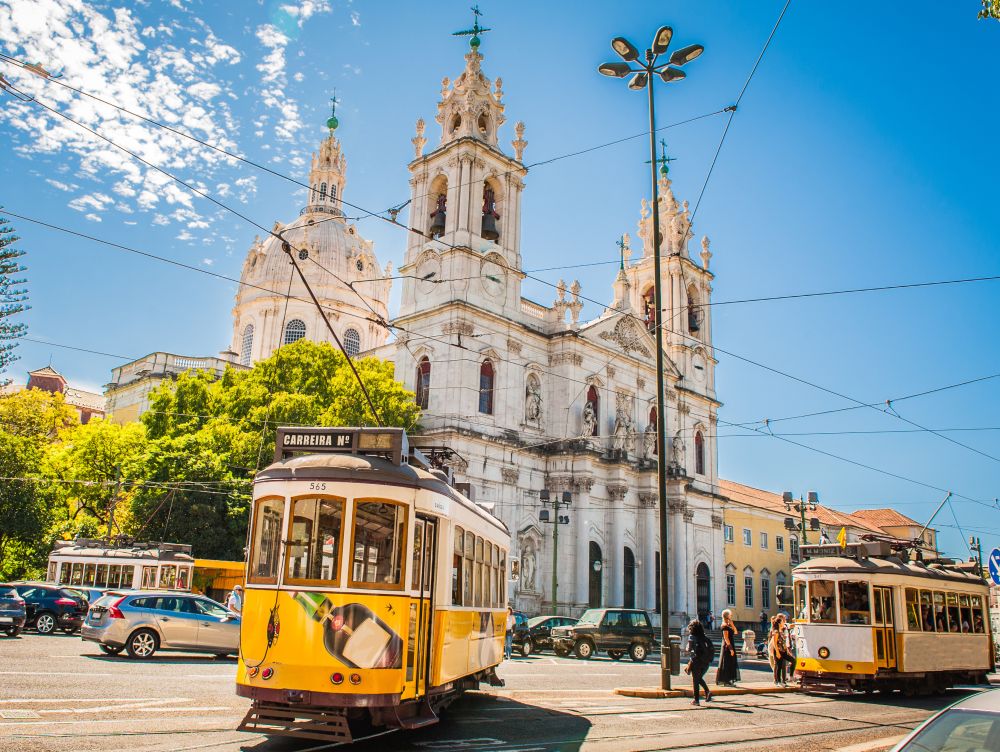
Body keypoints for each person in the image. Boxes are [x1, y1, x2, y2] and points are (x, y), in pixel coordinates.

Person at [685, 619, 713, 705]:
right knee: (699, 678)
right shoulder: (705, 637)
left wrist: (687, 647)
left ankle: (696, 700)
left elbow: (688, 649)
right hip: (706, 662)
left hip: (696, 661)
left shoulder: (692, 637)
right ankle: (707, 692)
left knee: (695, 680)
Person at [715, 609, 740, 687]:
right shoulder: (724, 625)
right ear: (727, 616)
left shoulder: (728, 625)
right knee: (727, 663)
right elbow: (726, 638)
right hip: (727, 647)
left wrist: (732, 625)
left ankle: (728, 680)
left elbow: (736, 632)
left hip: (730, 645)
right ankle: (726, 681)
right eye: (730, 615)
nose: (731, 616)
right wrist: (731, 649)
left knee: (730, 662)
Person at [770, 614, 792, 686]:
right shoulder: (775, 630)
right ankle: (777, 680)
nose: (785, 620)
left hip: (784, 648)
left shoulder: (784, 627)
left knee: (783, 665)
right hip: (777, 649)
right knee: (778, 665)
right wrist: (776, 652)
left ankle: (783, 680)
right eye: (783, 619)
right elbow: (773, 641)